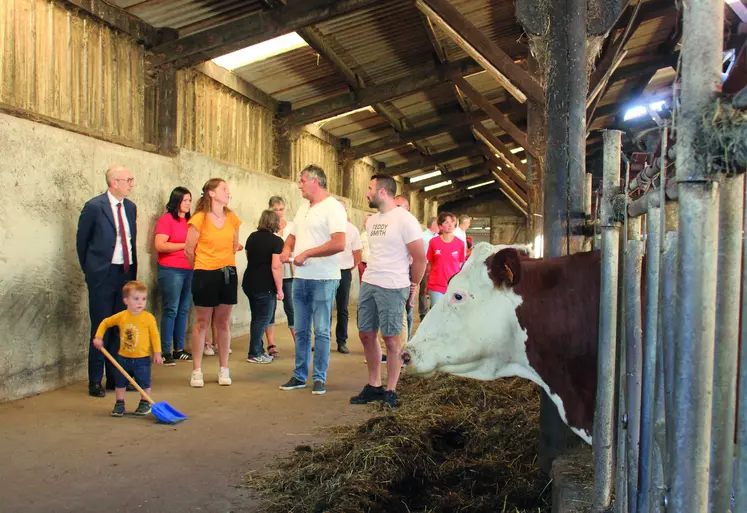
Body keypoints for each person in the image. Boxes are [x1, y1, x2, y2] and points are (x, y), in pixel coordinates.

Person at [351, 175, 425, 408]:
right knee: (366, 334)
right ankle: (374, 385)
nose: (367, 193)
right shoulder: (372, 221)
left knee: (392, 340)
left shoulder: (406, 220)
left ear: (382, 192)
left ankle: (391, 389)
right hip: (370, 282)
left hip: (394, 285)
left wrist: (413, 284)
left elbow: (420, 258)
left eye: (370, 188)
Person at [278, 165, 347, 396]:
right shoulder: (303, 208)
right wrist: (287, 248)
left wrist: (306, 253)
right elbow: (293, 235)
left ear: (315, 182)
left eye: (302, 180)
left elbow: (339, 243)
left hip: (323, 278)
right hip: (301, 278)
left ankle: (319, 377)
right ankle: (299, 375)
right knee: (301, 329)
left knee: (322, 331)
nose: (299, 185)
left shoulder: (334, 207)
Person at [76, 165, 138, 398]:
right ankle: (95, 380)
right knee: (101, 326)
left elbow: (130, 241)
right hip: (102, 274)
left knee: (119, 327)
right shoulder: (94, 207)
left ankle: (116, 377)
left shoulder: (130, 208)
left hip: (125, 274)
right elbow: (82, 242)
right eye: (128, 179)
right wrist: (91, 270)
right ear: (114, 182)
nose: (131, 184)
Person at [185, 178, 242, 388]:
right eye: (224, 189)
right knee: (201, 322)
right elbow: (189, 250)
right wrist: (201, 267)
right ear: (211, 193)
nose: (228, 193)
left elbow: (235, 245)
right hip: (204, 272)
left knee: (223, 322)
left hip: (227, 272)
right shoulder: (199, 219)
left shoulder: (232, 219)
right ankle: (197, 370)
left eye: (228, 189)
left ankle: (223, 368)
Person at [93, 280, 163, 417]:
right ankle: (120, 403)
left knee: (144, 381)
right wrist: (98, 337)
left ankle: (144, 402)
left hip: (142, 358)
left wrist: (157, 352)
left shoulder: (148, 318)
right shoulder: (121, 316)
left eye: (143, 299)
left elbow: (155, 335)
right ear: (126, 300)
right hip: (123, 357)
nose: (140, 303)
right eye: (135, 299)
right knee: (120, 382)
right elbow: (105, 322)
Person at [154, 187, 193, 366]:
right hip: (171, 269)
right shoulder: (166, 219)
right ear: (176, 201)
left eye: (189, 201)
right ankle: (165, 351)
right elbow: (160, 245)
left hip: (189, 269)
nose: (188, 204)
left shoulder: (191, 222)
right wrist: (185, 245)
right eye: (185, 200)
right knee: (171, 309)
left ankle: (179, 349)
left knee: (184, 310)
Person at [242, 210, 284, 364]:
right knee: (263, 319)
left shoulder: (252, 237)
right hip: (265, 284)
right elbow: (275, 267)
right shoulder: (277, 241)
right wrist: (280, 289)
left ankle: (258, 349)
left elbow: (248, 256)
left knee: (256, 317)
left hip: (249, 282)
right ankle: (254, 352)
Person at [265, 196, 296, 357]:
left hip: (289, 273)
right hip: (271, 273)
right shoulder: (266, 228)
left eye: (281, 209)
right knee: (270, 308)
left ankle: (298, 340)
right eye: (275, 209)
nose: (278, 212)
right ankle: (271, 343)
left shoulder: (291, 227)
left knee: (291, 307)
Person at [334, 200, 363, 354]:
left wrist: (347, 268)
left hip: (344, 273)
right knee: (322, 308)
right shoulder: (326, 228)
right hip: (326, 271)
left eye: (342, 209)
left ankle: (341, 341)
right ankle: (321, 341)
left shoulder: (352, 230)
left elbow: (357, 256)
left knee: (342, 308)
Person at [426, 212, 466, 307]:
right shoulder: (433, 242)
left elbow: (459, 264)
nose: (450, 225)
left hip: (453, 286)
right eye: (446, 222)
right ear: (440, 226)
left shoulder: (460, 243)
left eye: (452, 222)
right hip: (436, 285)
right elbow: (430, 264)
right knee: (437, 314)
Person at [394, 194, 414, 342]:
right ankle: (385, 350)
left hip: (405, 276)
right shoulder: (392, 225)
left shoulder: (411, 226)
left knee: (403, 314)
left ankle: (402, 348)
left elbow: (418, 258)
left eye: (399, 206)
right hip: (391, 276)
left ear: (407, 208)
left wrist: (415, 283)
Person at [419, 216, 439, 321]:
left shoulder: (438, 237)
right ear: (433, 225)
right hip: (425, 265)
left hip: (435, 266)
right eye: (438, 224)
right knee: (424, 289)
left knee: (433, 288)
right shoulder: (423, 236)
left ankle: (433, 309)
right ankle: (423, 312)